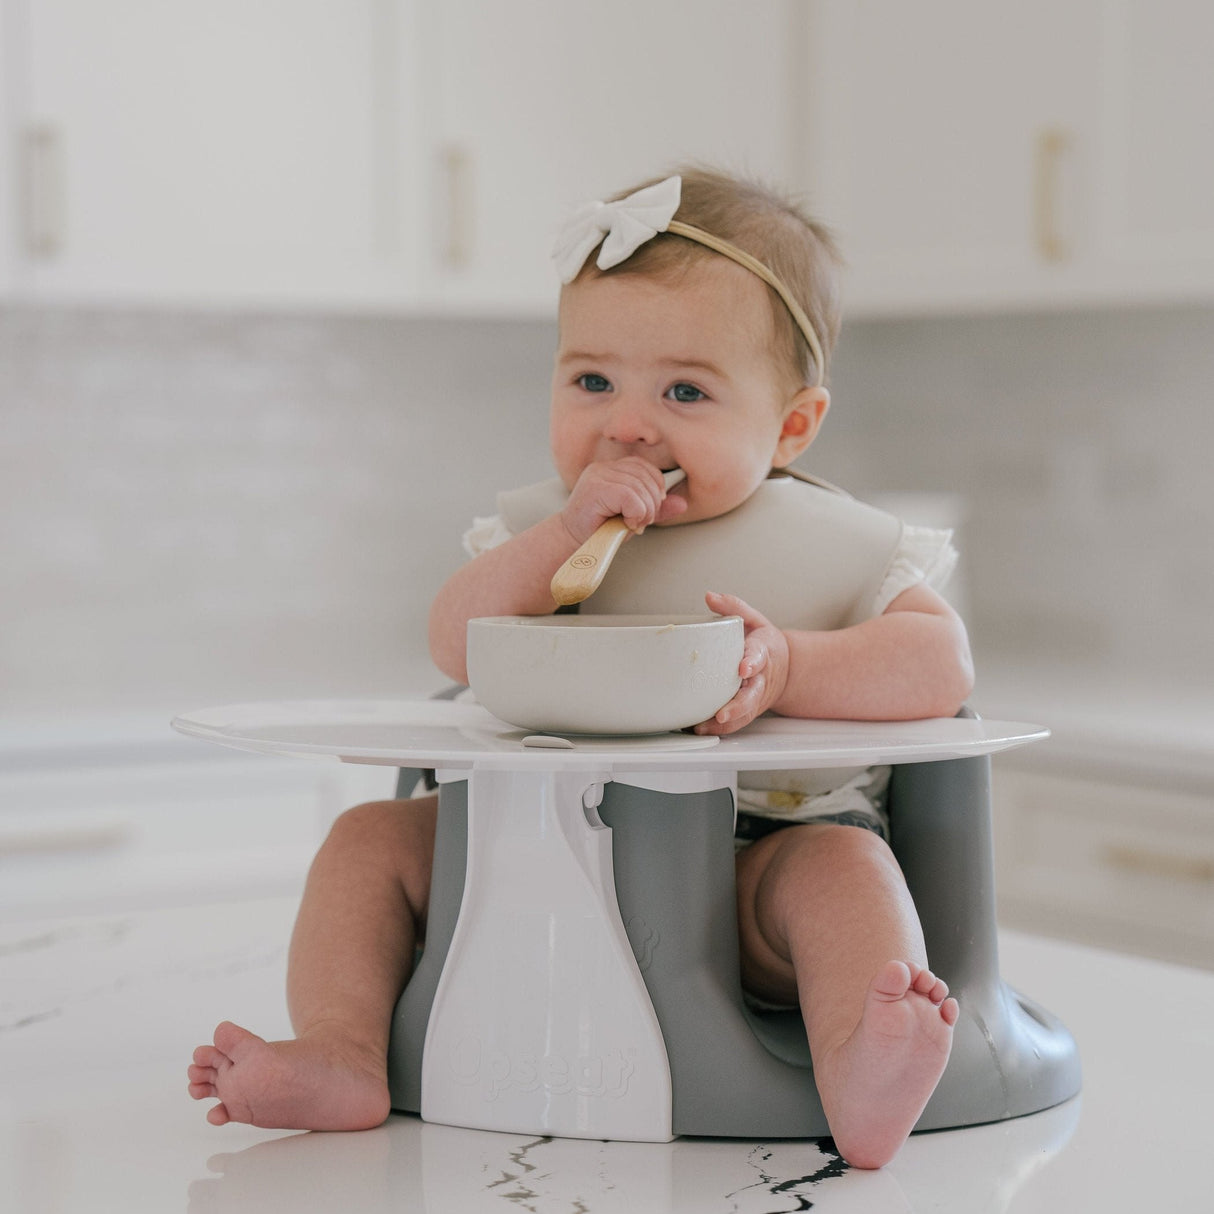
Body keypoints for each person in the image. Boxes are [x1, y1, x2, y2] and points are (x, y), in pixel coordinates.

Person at [188, 168, 973, 1170]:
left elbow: (939, 665)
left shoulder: (840, 549)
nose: (628, 424)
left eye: (684, 391)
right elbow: (454, 642)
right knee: (365, 840)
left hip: (756, 869)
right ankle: (342, 1051)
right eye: (592, 381)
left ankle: (862, 1062)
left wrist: (789, 664)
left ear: (791, 425)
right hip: (525, 858)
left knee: (847, 873)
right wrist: (562, 536)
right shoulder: (541, 534)